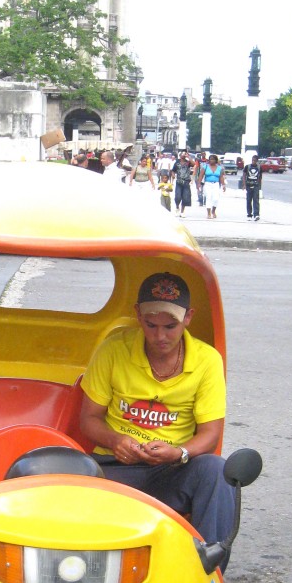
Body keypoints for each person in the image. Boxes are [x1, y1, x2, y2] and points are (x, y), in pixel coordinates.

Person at [79, 272, 235, 560]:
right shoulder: (114, 350)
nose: (160, 336)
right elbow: (88, 419)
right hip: (115, 467)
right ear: (138, 314)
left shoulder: (207, 360)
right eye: (151, 325)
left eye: (170, 326)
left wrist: (179, 453)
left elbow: (210, 434)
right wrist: (117, 440)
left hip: (172, 470)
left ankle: (208, 571)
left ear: (188, 317)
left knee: (217, 471)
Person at [197, 154, 225, 218]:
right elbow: (201, 175)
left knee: (216, 198)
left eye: (213, 159)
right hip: (208, 184)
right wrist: (198, 184)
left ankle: (213, 211)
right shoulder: (205, 167)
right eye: (210, 159)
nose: (211, 161)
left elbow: (221, 177)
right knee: (208, 198)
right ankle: (209, 213)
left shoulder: (219, 168)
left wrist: (223, 185)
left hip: (216, 184)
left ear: (216, 160)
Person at [171, 151, 193, 216]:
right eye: (182, 154)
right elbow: (173, 170)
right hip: (179, 181)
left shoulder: (188, 162)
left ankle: (182, 211)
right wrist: (173, 175)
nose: (183, 155)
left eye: (185, 154)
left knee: (185, 197)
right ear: (180, 155)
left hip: (186, 181)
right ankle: (177, 207)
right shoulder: (177, 163)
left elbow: (194, 164)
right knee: (177, 196)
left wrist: (188, 157)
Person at [242, 154, 263, 221]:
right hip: (248, 185)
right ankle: (249, 214)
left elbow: (260, 177)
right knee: (249, 200)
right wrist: (244, 184)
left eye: (255, 160)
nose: (253, 161)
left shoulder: (259, 167)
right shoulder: (247, 167)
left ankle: (256, 214)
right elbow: (244, 176)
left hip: (256, 185)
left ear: (257, 161)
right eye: (252, 160)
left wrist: (259, 186)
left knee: (256, 200)